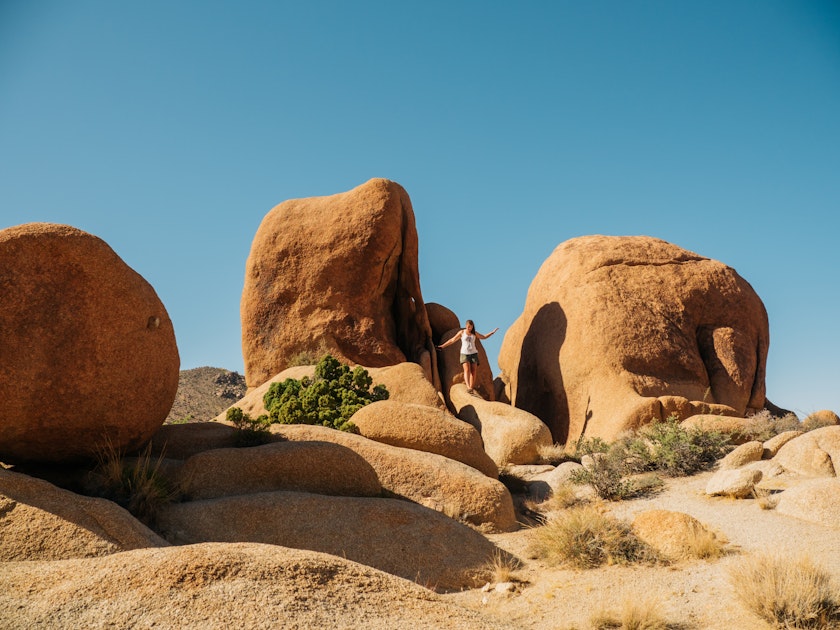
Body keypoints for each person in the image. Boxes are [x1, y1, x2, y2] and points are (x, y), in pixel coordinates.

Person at [437, 320, 499, 394]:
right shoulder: (462, 332)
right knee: (466, 370)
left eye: (471, 326)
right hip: (464, 353)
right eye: (469, 326)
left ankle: (471, 388)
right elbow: (452, 340)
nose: (470, 328)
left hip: (473, 353)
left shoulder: (474, 333)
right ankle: (468, 386)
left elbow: (483, 337)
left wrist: (492, 332)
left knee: (473, 371)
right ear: (466, 326)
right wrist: (442, 346)